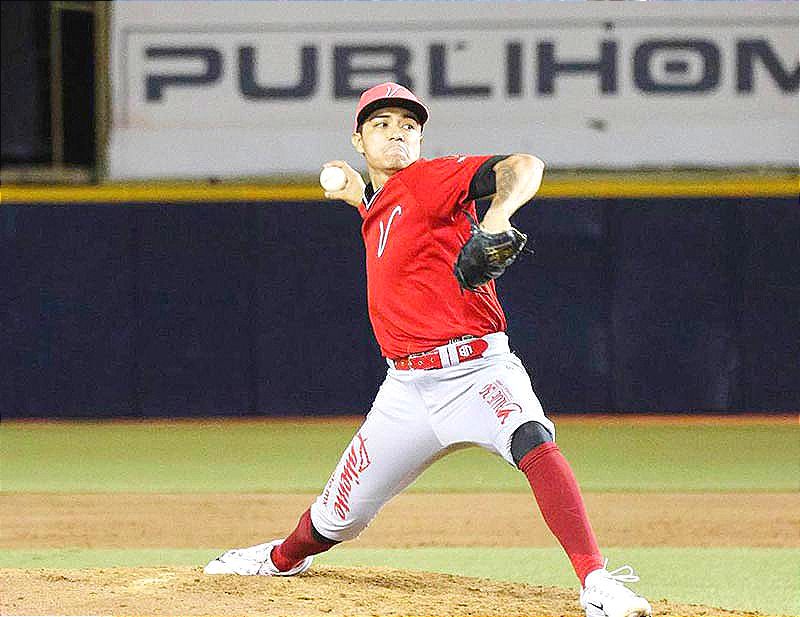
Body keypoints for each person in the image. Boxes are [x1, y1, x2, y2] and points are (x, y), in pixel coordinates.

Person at [205, 82, 652, 617]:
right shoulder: (381, 205)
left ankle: (596, 580)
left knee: (531, 436)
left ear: (420, 139)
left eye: (409, 125)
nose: (397, 133)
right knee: (337, 515)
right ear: (358, 140)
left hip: (477, 370)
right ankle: (280, 559)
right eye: (381, 124)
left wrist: (496, 217)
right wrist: (360, 197)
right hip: (407, 390)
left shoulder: (430, 179)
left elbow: (525, 166)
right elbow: (397, 221)